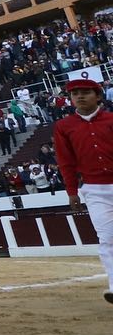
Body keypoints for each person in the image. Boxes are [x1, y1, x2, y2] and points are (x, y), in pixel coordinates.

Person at [51, 77, 113, 305]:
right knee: (107, 238)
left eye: (85, 92)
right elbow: (65, 161)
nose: (79, 96)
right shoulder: (64, 127)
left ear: (97, 96)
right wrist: (71, 191)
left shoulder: (111, 120)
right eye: (74, 93)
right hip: (94, 190)